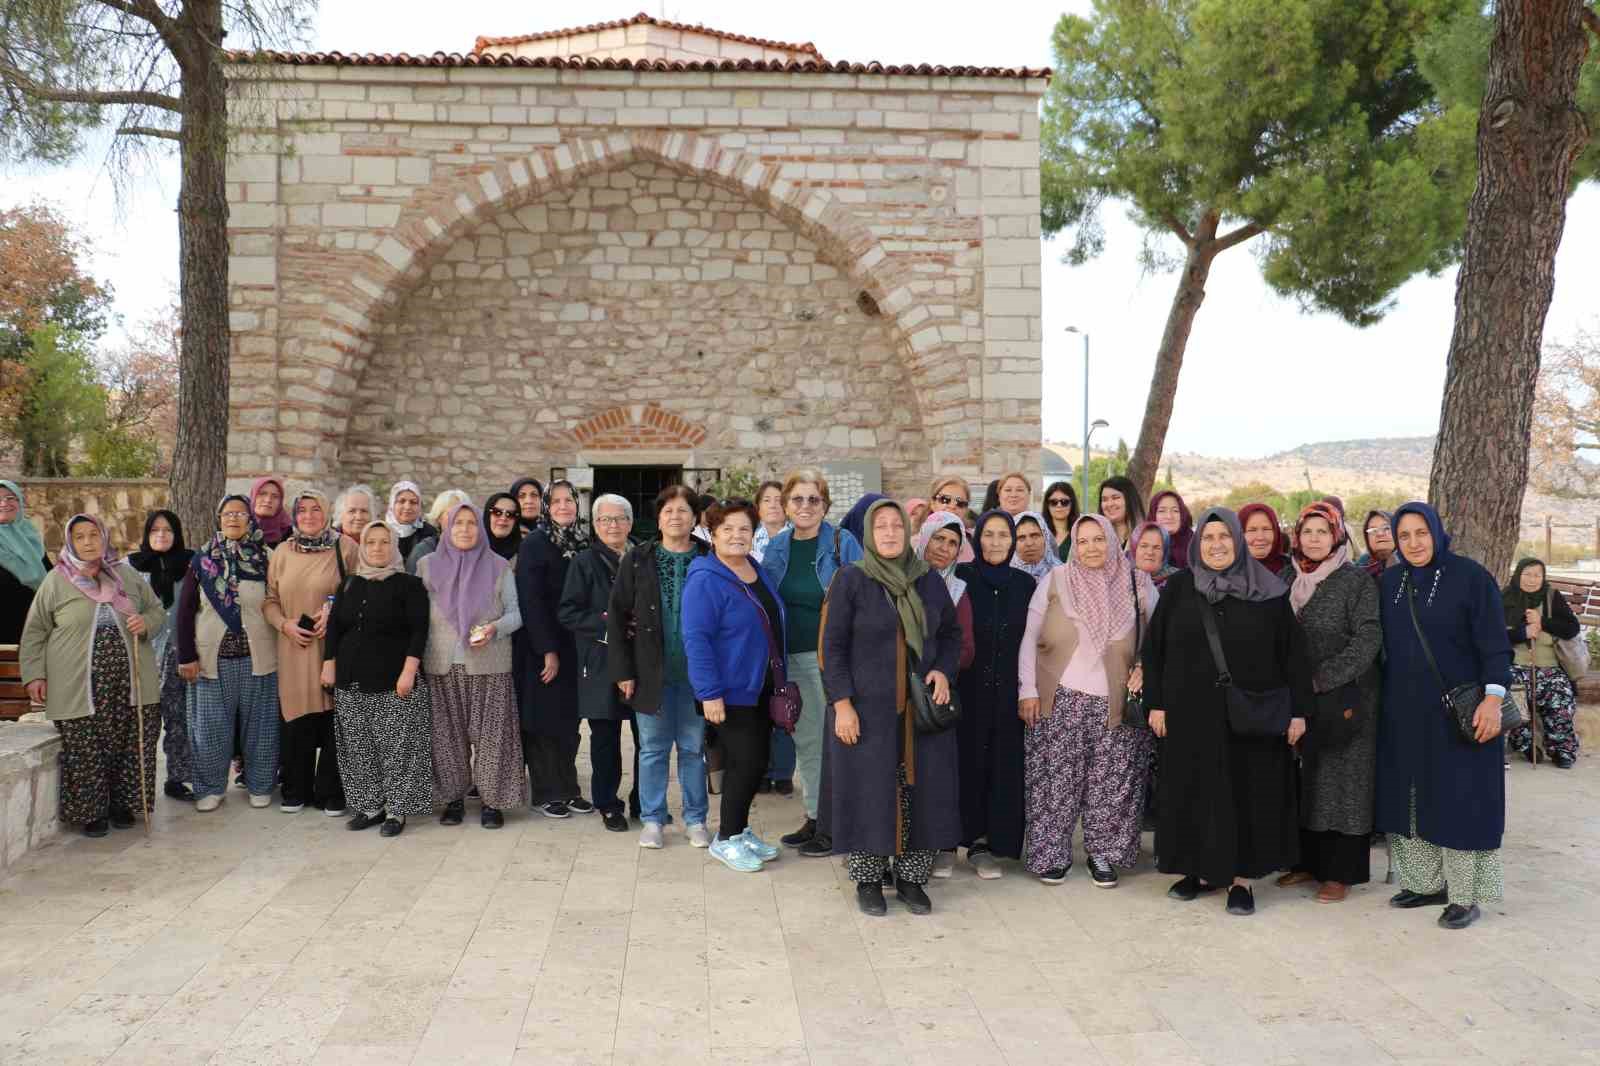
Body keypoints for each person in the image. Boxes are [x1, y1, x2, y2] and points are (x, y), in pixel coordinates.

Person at [1143, 507, 1309, 917]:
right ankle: (1198, 871)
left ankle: (1241, 880)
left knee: (1246, 794)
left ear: (1237, 542)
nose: (1217, 545)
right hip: (1188, 714)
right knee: (1193, 791)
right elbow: (1155, 650)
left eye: (1225, 538)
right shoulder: (1181, 588)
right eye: (1209, 538)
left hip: (1249, 716)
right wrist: (1156, 703)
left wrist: (1299, 712)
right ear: (1199, 543)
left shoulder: (1268, 592)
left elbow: (1294, 658)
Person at [821, 499, 963, 915]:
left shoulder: (927, 581)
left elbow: (952, 635)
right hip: (867, 711)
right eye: (880, 526)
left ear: (907, 533)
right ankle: (868, 880)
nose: (888, 533)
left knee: (922, 792)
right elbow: (832, 647)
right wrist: (842, 704)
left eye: (895, 526)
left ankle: (911, 879)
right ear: (868, 533)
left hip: (919, 712)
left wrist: (942, 671)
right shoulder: (851, 580)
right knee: (869, 791)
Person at [1376, 502, 1513, 930]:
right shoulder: (1391, 581)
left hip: (1462, 713)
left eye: (1421, 533)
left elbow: (1495, 644)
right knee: (1414, 798)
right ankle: (1425, 882)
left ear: (1436, 532)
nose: (1414, 543)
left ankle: (1465, 895)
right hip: (1404, 713)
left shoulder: (1471, 577)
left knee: (1461, 800)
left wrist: (1492, 700)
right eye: (1404, 536)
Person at [1018, 514, 1158, 887]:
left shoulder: (1138, 584)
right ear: (1073, 546)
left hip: (1116, 704)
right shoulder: (1056, 579)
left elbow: (1161, 640)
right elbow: (1029, 638)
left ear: (1112, 541)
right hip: (1059, 699)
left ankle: (1104, 855)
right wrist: (1027, 690)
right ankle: (1052, 855)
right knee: (1054, 783)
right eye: (1083, 541)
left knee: (1111, 783)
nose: (1091, 548)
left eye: (1099, 539)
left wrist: (1147, 666)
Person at [20, 514, 164, 838]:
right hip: (78, 683)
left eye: (93, 535)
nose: (88, 542)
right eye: (80, 536)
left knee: (129, 741)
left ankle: (123, 804)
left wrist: (145, 622)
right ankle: (93, 812)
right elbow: (34, 633)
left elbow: (156, 610)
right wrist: (34, 675)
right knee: (85, 746)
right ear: (71, 542)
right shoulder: (56, 581)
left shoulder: (126, 575)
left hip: (129, 681)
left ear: (104, 537)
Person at [1274, 502, 1382, 903]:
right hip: (1300, 697)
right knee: (1309, 779)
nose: (1315, 539)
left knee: (1344, 784)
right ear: (1297, 537)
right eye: (1308, 532)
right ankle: (1306, 863)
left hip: (1347, 696)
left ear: (1337, 534)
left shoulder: (1355, 581)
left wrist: (1321, 678)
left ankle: (1340, 873)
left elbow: (1368, 638)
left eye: (1323, 531)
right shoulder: (1287, 577)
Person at [760, 469, 864, 857]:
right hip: (790, 659)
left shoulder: (843, 542)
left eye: (813, 499)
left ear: (825, 505)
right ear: (785, 506)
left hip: (831, 658)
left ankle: (838, 824)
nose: (805, 506)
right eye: (797, 499)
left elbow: (864, 597)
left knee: (837, 741)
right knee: (806, 742)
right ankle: (816, 817)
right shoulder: (777, 546)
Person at [682, 499, 789, 873]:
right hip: (727, 691)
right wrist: (708, 693)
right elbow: (696, 639)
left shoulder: (753, 568)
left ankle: (740, 830)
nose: (736, 535)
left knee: (756, 760)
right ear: (712, 534)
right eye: (727, 529)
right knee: (744, 763)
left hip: (759, 685)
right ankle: (726, 839)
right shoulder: (705, 578)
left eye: (744, 528)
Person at [608, 485, 711, 850]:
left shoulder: (709, 557)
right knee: (651, 748)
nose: (675, 517)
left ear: (695, 518)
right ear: (659, 517)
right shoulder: (638, 559)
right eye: (668, 511)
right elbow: (618, 617)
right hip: (650, 671)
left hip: (697, 675)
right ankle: (653, 819)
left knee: (692, 748)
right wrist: (623, 671)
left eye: (683, 511)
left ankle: (696, 819)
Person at [322, 521, 432, 836]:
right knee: (359, 747)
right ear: (363, 547)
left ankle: (396, 812)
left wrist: (409, 671)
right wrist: (328, 662)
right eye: (371, 542)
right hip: (350, 680)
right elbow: (335, 628)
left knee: (396, 749)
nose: (377, 548)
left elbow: (419, 630)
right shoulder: (350, 584)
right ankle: (371, 807)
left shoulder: (409, 585)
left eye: (385, 542)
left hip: (392, 681)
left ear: (394, 546)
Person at [419, 502, 525, 828]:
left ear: (481, 528)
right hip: (440, 664)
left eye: (471, 523)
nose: (465, 529)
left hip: (489, 664)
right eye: (457, 523)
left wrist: (494, 629)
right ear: (446, 529)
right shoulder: (426, 566)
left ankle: (493, 802)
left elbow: (517, 613)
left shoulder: (498, 566)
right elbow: (414, 614)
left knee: (494, 736)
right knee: (446, 737)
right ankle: (453, 799)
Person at [175, 496, 279, 812]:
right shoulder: (201, 560)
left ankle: (260, 784)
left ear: (250, 519)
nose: (233, 518)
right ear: (218, 518)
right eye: (227, 513)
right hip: (211, 661)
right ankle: (210, 788)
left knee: (261, 727)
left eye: (240, 513)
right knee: (209, 729)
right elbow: (184, 611)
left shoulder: (267, 557)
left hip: (258, 659)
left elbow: (278, 601)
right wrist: (186, 656)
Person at [950, 511, 1033, 880]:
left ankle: (986, 845)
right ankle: (950, 841)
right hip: (966, 691)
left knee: (1001, 766)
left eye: (1003, 535)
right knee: (962, 764)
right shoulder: (961, 579)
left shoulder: (1025, 584)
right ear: (977, 539)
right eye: (989, 535)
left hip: (1007, 694)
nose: (996, 542)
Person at [263, 490, 354, 816]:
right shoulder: (282, 552)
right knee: (296, 718)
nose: (310, 516)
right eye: (302, 510)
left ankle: (330, 790)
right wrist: (285, 624)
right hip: (293, 648)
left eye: (317, 509)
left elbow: (359, 591)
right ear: (294, 515)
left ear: (327, 512)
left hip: (333, 648)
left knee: (334, 718)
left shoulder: (346, 547)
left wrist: (333, 609)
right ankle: (295, 788)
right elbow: (269, 599)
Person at [559, 494, 640, 832]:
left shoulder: (644, 557)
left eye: (620, 518)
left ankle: (644, 802)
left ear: (630, 523)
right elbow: (568, 612)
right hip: (601, 661)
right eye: (605, 520)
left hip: (642, 661)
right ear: (594, 526)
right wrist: (610, 622)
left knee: (646, 737)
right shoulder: (583, 562)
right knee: (605, 737)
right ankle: (608, 804)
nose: (613, 525)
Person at [517, 480, 592, 817]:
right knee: (544, 720)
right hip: (543, 645)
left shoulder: (584, 539)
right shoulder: (535, 542)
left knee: (569, 721)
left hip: (578, 644)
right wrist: (547, 649)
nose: (563, 506)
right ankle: (548, 792)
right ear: (547, 506)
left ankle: (570, 787)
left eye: (569, 500)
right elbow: (530, 600)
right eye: (556, 501)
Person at [128, 510, 196, 801]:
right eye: (155, 529)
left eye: (168, 530)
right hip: (143, 654)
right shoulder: (130, 568)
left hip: (178, 653)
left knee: (179, 719)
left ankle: (177, 779)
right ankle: (136, 784)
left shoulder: (191, 564)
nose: (161, 535)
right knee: (142, 722)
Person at [1502, 557, 1581, 768]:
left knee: (1560, 696)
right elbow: (1494, 634)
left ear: (1543, 577)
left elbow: (1571, 628)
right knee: (1511, 697)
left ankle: (1562, 749)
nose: (1532, 579)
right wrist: (1523, 632)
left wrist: (1542, 621)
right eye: (1527, 574)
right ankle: (1527, 745)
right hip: (1516, 665)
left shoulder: (1552, 597)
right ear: (1518, 575)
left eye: (1537, 575)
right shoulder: (1505, 598)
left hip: (1550, 667)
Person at [751, 478, 795, 793]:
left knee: (789, 697)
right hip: (758, 633)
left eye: (780, 499)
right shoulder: (748, 539)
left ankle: (783, 771)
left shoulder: (798, 537)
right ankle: (762, 769)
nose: (774, 505)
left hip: (791, 630)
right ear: (758, 507)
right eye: (767, 500)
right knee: (762, 701)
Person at [0, 479, 51, 645]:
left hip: (35, 634)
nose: (4, 503)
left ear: (19, 502)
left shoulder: (32, 539)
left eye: (10, 498)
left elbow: (52, 583)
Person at [405, 489, 471, 575]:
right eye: (451, 513)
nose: (457, 518)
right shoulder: (423, 551)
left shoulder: (479, 551)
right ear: (438, 517)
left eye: (462, 513)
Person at [1237, 502, 1293, 580]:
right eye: (1252, 530)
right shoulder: (1227, 574)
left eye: (1266, 529)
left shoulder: (1295, 573)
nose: (1260, 537)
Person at [385, 481, 435, 562]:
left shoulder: (429, 533)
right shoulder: (381, 530)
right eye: (402, 501)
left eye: (413, 502)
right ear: (392, 504)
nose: (407, 507)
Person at [1147, 490, 1195, 569]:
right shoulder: (1142, 545)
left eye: (1175, 511)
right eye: (1162, 511)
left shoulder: (1196, 545)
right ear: (1153, 514)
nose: (1169, 516)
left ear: (1182, 514)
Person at [1097, 476, 1146, 550]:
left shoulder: (1145, 536)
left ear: (1129, 500)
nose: (1109, 504)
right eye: (1104, 500)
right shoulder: (1096, 537)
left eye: (1116, 498)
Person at [1011, 511, 1061, 583]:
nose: (1029, 543)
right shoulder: (1005, 576)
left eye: (1035, 536)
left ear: (1045, 538)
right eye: (1021, 538)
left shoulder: (1063, 575)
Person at [1129, 521, 1181, 588]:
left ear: (1164, 553)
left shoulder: (1180, 579)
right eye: (1144, 546)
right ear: (1134, 549)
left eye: (1157, 547)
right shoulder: (1122, 578)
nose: (1150, 552)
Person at [249, 476, 292, 548]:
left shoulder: (291, 535)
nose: (268, 500)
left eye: (275, 496)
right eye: (262, 494)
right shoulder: (238, 528)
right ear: (253, 496)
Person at [752, 479, 789, 563]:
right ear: (758, 506)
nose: (772, 506)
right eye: (766, 500)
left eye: (778, 500)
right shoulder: (749, 534)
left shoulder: (797, 535)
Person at [1042, 481, 1079, 562]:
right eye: (1053, 502)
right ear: (1047, 505)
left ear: (1072, 504)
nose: (1059, 505)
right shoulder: (1040, 534)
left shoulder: (1079, 534)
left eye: (1064, 502)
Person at [483, 492, 524, 563]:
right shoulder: (472, 552)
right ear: (488, 516)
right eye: (497, 512)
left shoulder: (526, 554)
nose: (503, 518)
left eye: (510, 514)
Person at [1356, 510, 1396, 578]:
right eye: (1373, 530)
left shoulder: (1412, 565)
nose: (1379, 534)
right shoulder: (1361, 565)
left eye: (1386, 528)